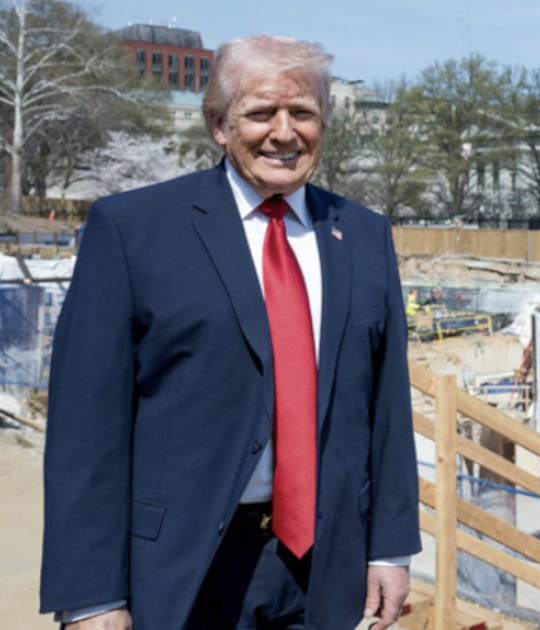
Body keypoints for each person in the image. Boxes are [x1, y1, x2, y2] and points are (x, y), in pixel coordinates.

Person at [40, 35, 421, 630]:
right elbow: (85, 427)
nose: (284, 133)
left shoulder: (365, 235)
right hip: (181, 569)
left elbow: (387, 408)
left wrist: (391, 549)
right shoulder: (132, 230)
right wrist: (91, 596)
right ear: (219, 124)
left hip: (326, 569)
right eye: (261, 113)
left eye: (303, 113)